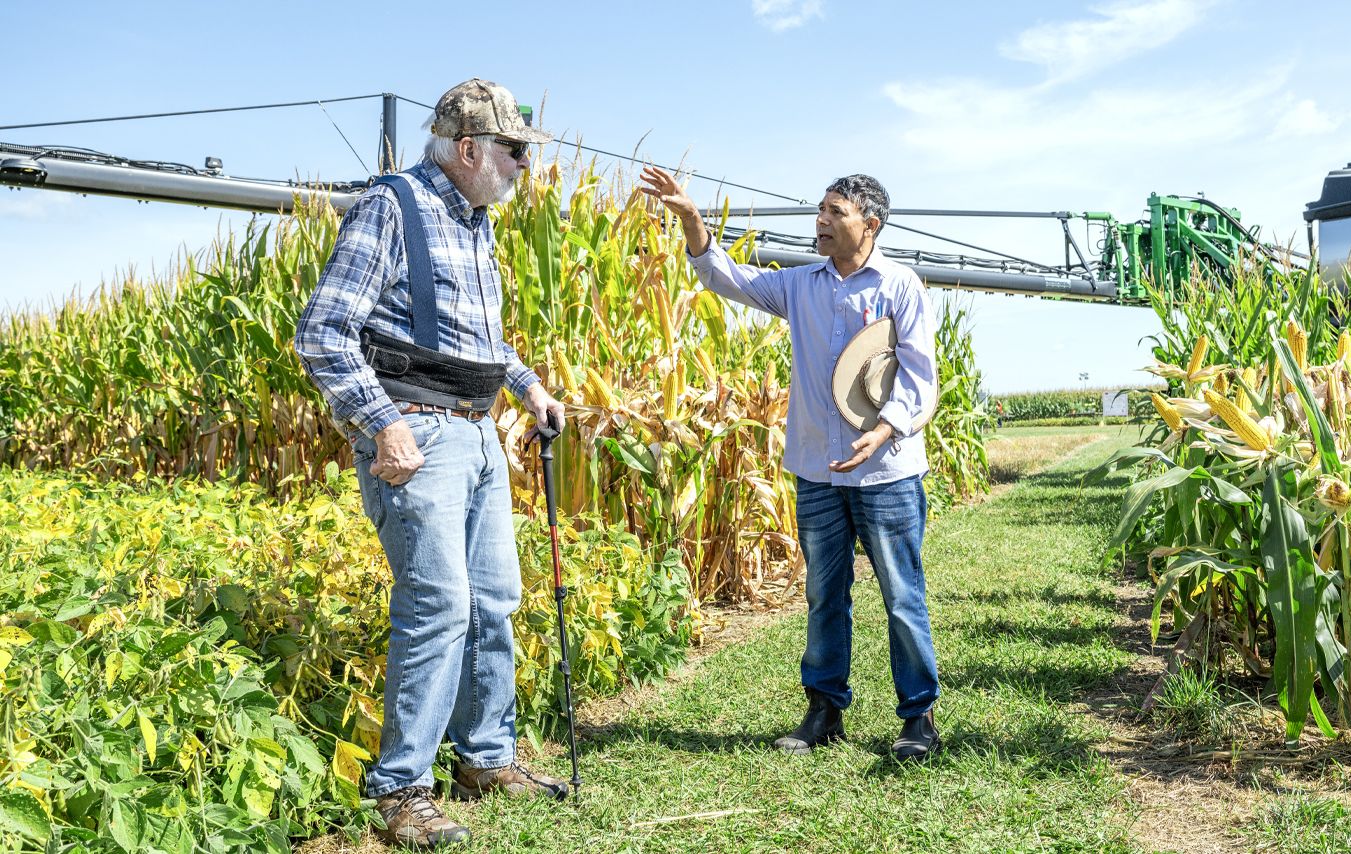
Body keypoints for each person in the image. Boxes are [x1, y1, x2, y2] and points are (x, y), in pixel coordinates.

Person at [295, 78, 567, 850]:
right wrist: (381, 423)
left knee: (494, 602)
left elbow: (476, 339)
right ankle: (401, 789)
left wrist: (528, 385)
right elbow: (322, 332)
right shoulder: (393, 206)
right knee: (439, 605)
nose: (524, 165)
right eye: (515, 151)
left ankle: (486, 759)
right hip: (417, 436)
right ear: (471, 148)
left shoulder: (474, 222)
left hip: (478, 434)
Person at [639, 167, 944, 761]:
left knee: (902, 595)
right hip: (818, 470)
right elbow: (730, 278)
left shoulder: (901, 286)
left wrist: (885, 430)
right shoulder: (801, 285)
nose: (821, 221)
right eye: (821, 210)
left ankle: (918, 719)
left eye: (836, 212)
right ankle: (824, 711)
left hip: (886, 471)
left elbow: (919, 376)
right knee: (825, 594)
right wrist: (693, 221)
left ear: (870, 225)